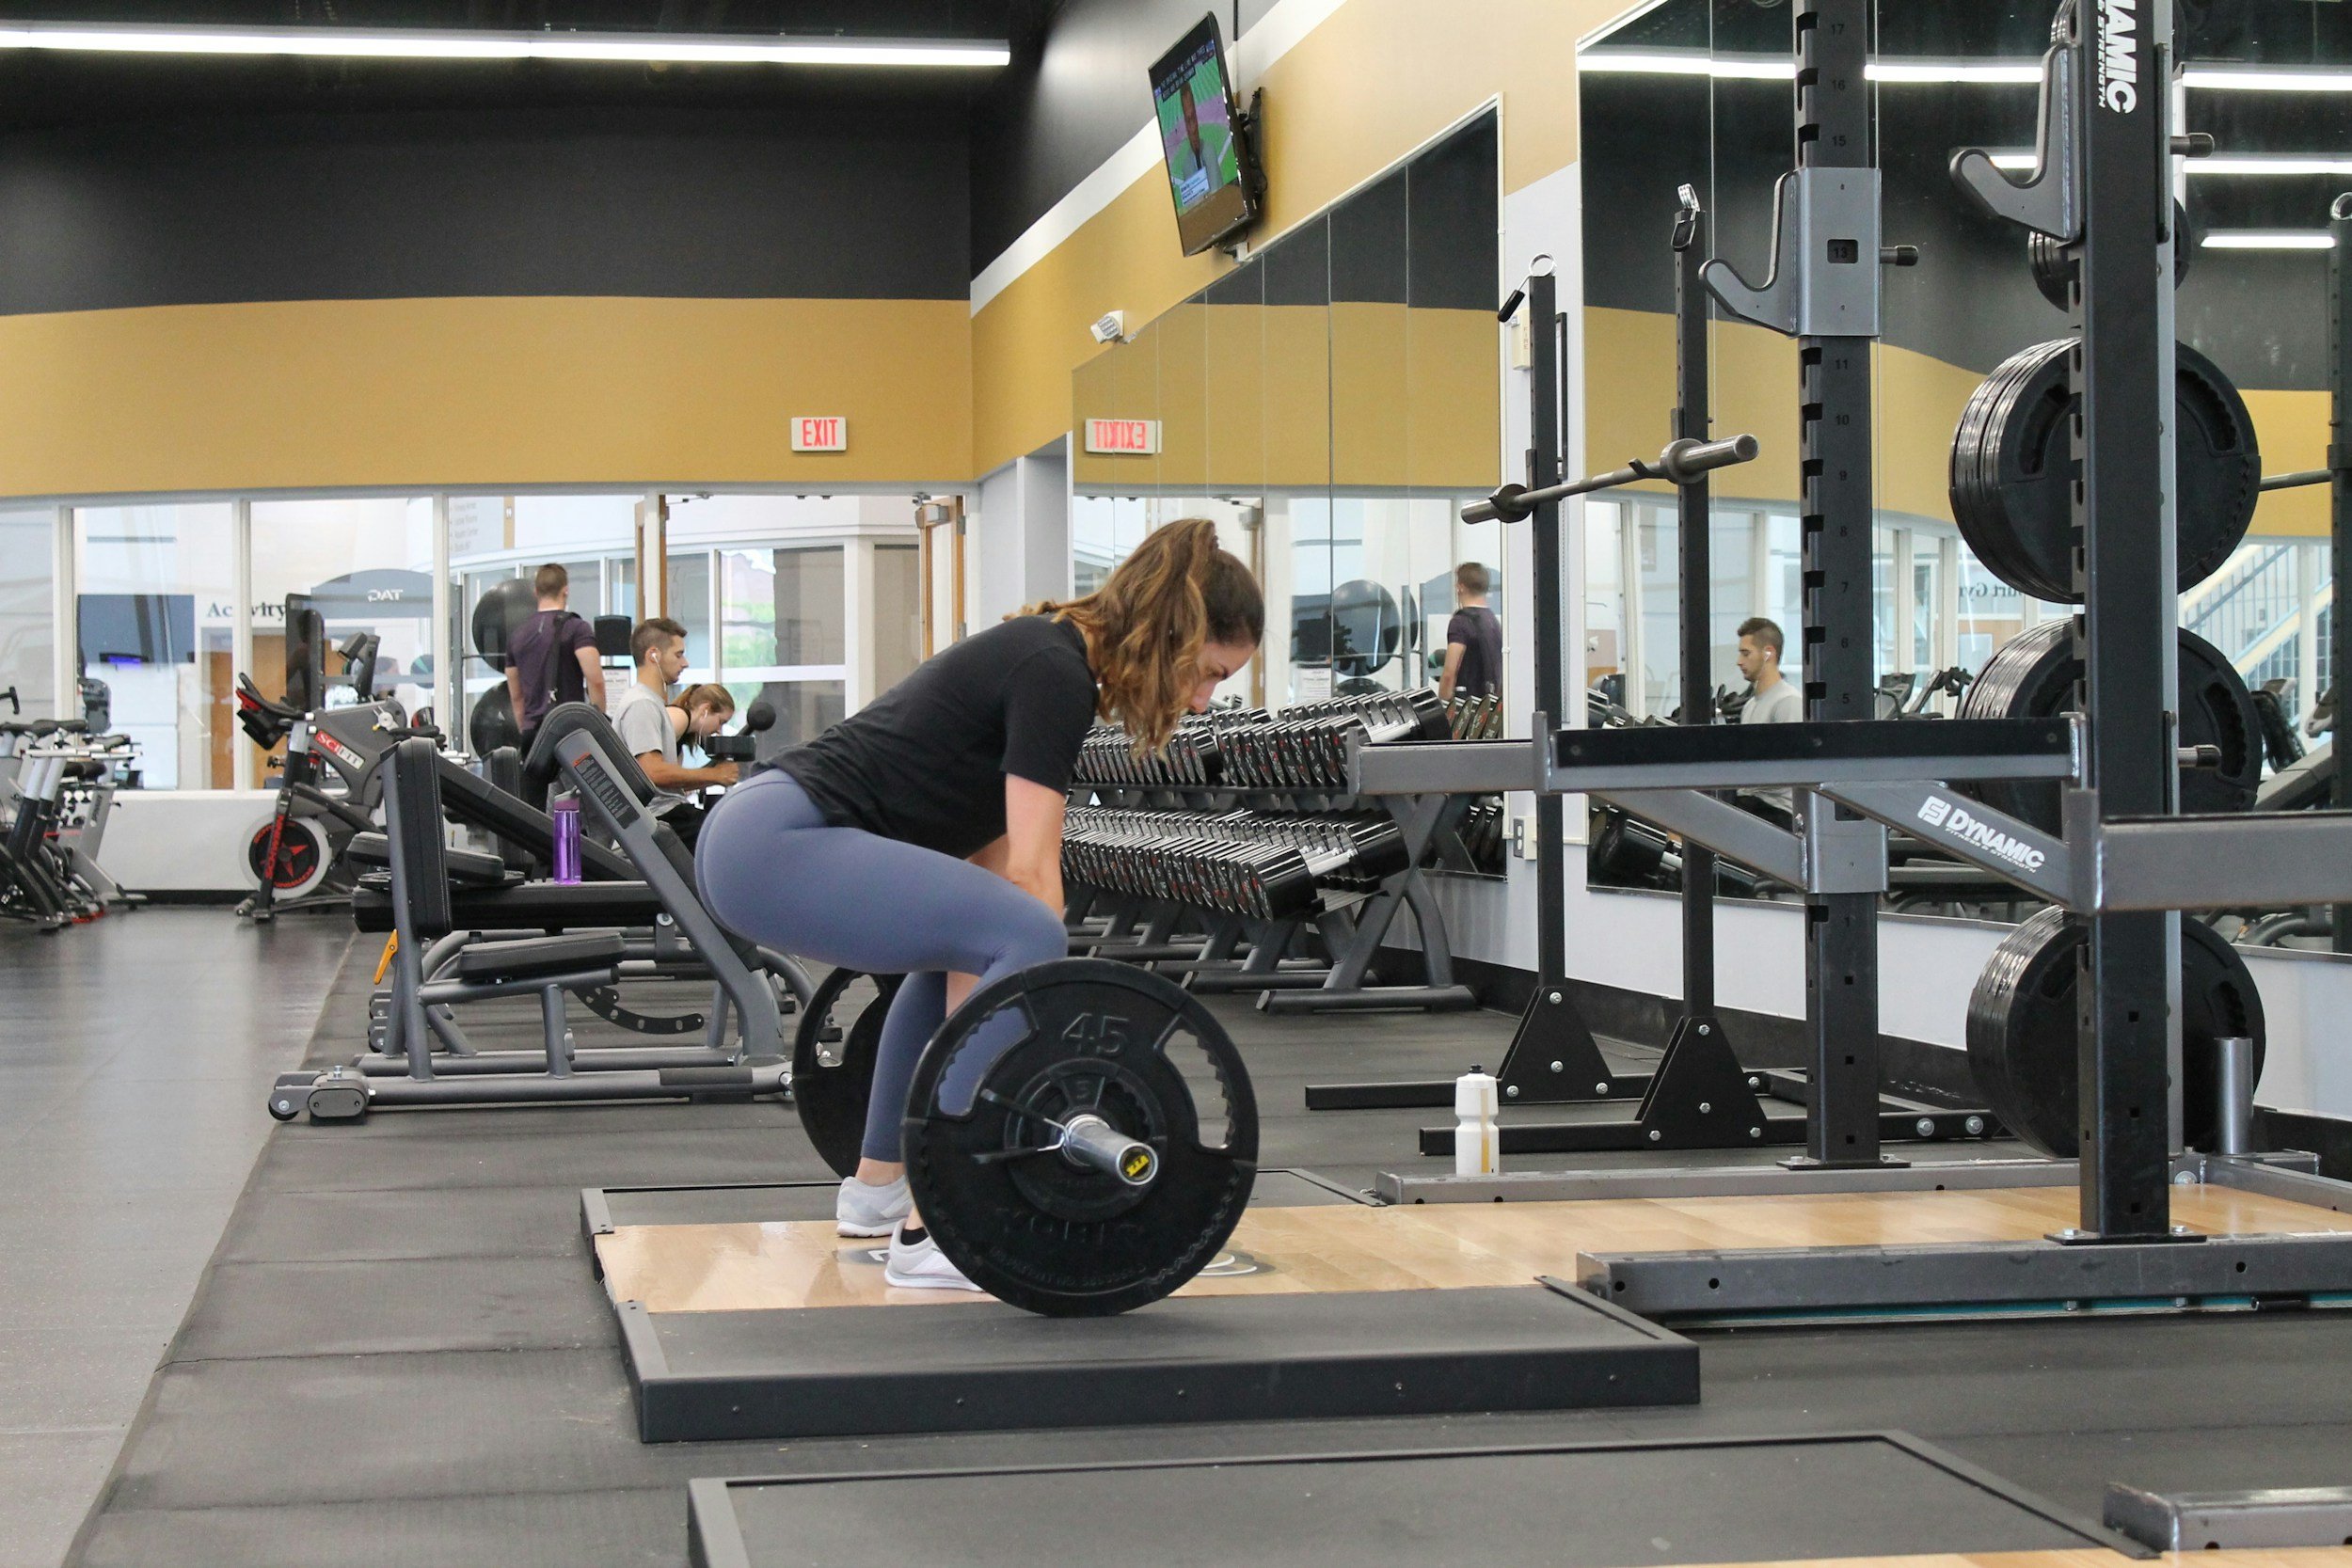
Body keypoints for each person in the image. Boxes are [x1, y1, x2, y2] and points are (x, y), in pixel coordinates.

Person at [695, 518, 1263, 1292]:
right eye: (1208, 673)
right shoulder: (1053, 669)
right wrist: (1058, 1038)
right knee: (1024, 928)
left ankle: (878, 1190)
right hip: (775, 838)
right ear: (1171, 632)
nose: (1201, 701)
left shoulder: (1049, 658)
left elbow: (994, 872)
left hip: (756, 837)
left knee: (972, 945)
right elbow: (1032, 883)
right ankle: (944, 1220)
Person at [610, 617, 739, 847]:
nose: (685, 662)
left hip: (671, 812)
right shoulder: (641, 705)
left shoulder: (654, 704)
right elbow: (652, 772)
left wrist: (712, 774)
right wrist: (715, 775)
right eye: (678, 655)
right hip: (659, 818)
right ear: (654, 655)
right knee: (734, 839)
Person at [504, 563, 603, 752]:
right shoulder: (577, 628)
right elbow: (595, 680)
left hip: (533, 732)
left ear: (535, 592)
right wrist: (598, 726)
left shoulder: (517, 635)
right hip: (571, 731)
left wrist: (524, 728)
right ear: (565, 591)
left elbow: (516, 696)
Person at [1438, 562, 1502, 703]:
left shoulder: (1460, 622)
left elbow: (1450, 671)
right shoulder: (1493, 621)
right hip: (1489, 706)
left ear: (1460, 587)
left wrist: (1443, 703)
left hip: (1467, 707)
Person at [1735, 616, 1802, 725]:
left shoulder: (1788, 701)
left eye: (1746, 654)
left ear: (1768, 653)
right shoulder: (1749, 706)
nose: (1739, 661)